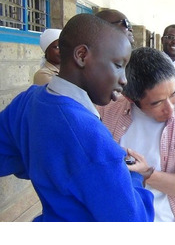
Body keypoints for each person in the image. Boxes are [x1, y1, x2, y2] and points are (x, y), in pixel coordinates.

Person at [0, 13, 154, 222]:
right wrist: (136, 178)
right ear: (81, 55)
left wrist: (54, 169)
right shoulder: (90, 138)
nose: (124, 79)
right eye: (118, 65)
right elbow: (133, 221)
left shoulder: (28, 100)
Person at [98, 47, 175, 222]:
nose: (171, 109)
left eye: (173, 94)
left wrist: (148, 174)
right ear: (131, 99)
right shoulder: (108, 112)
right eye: (156, 103)